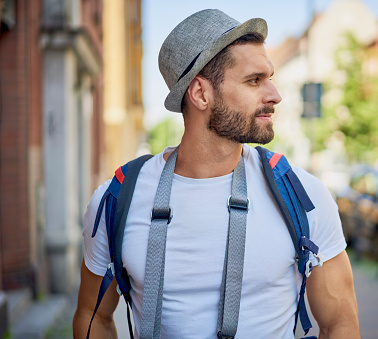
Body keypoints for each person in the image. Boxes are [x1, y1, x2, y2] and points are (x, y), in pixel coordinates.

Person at [73, 9, 359, 339]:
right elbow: (92, 317)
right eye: (254, 80)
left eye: (269, 77)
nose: (274, 95)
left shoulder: (303, 196)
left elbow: (341, 324)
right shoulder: (117, 200)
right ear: (200, 94)